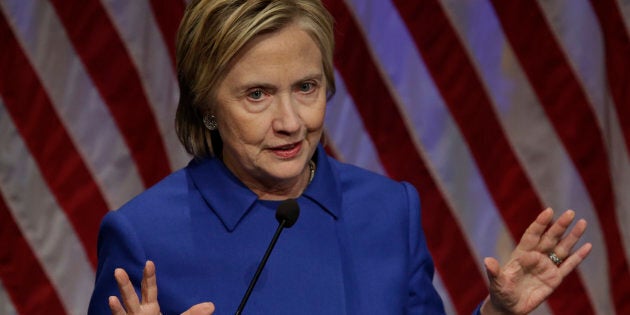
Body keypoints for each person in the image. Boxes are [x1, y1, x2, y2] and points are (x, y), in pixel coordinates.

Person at [87, 0, 592, 314]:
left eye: (306, 87)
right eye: (257, 95)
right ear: (207, 106)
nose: (291, 121)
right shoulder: (144, 236)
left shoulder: (389, 210)